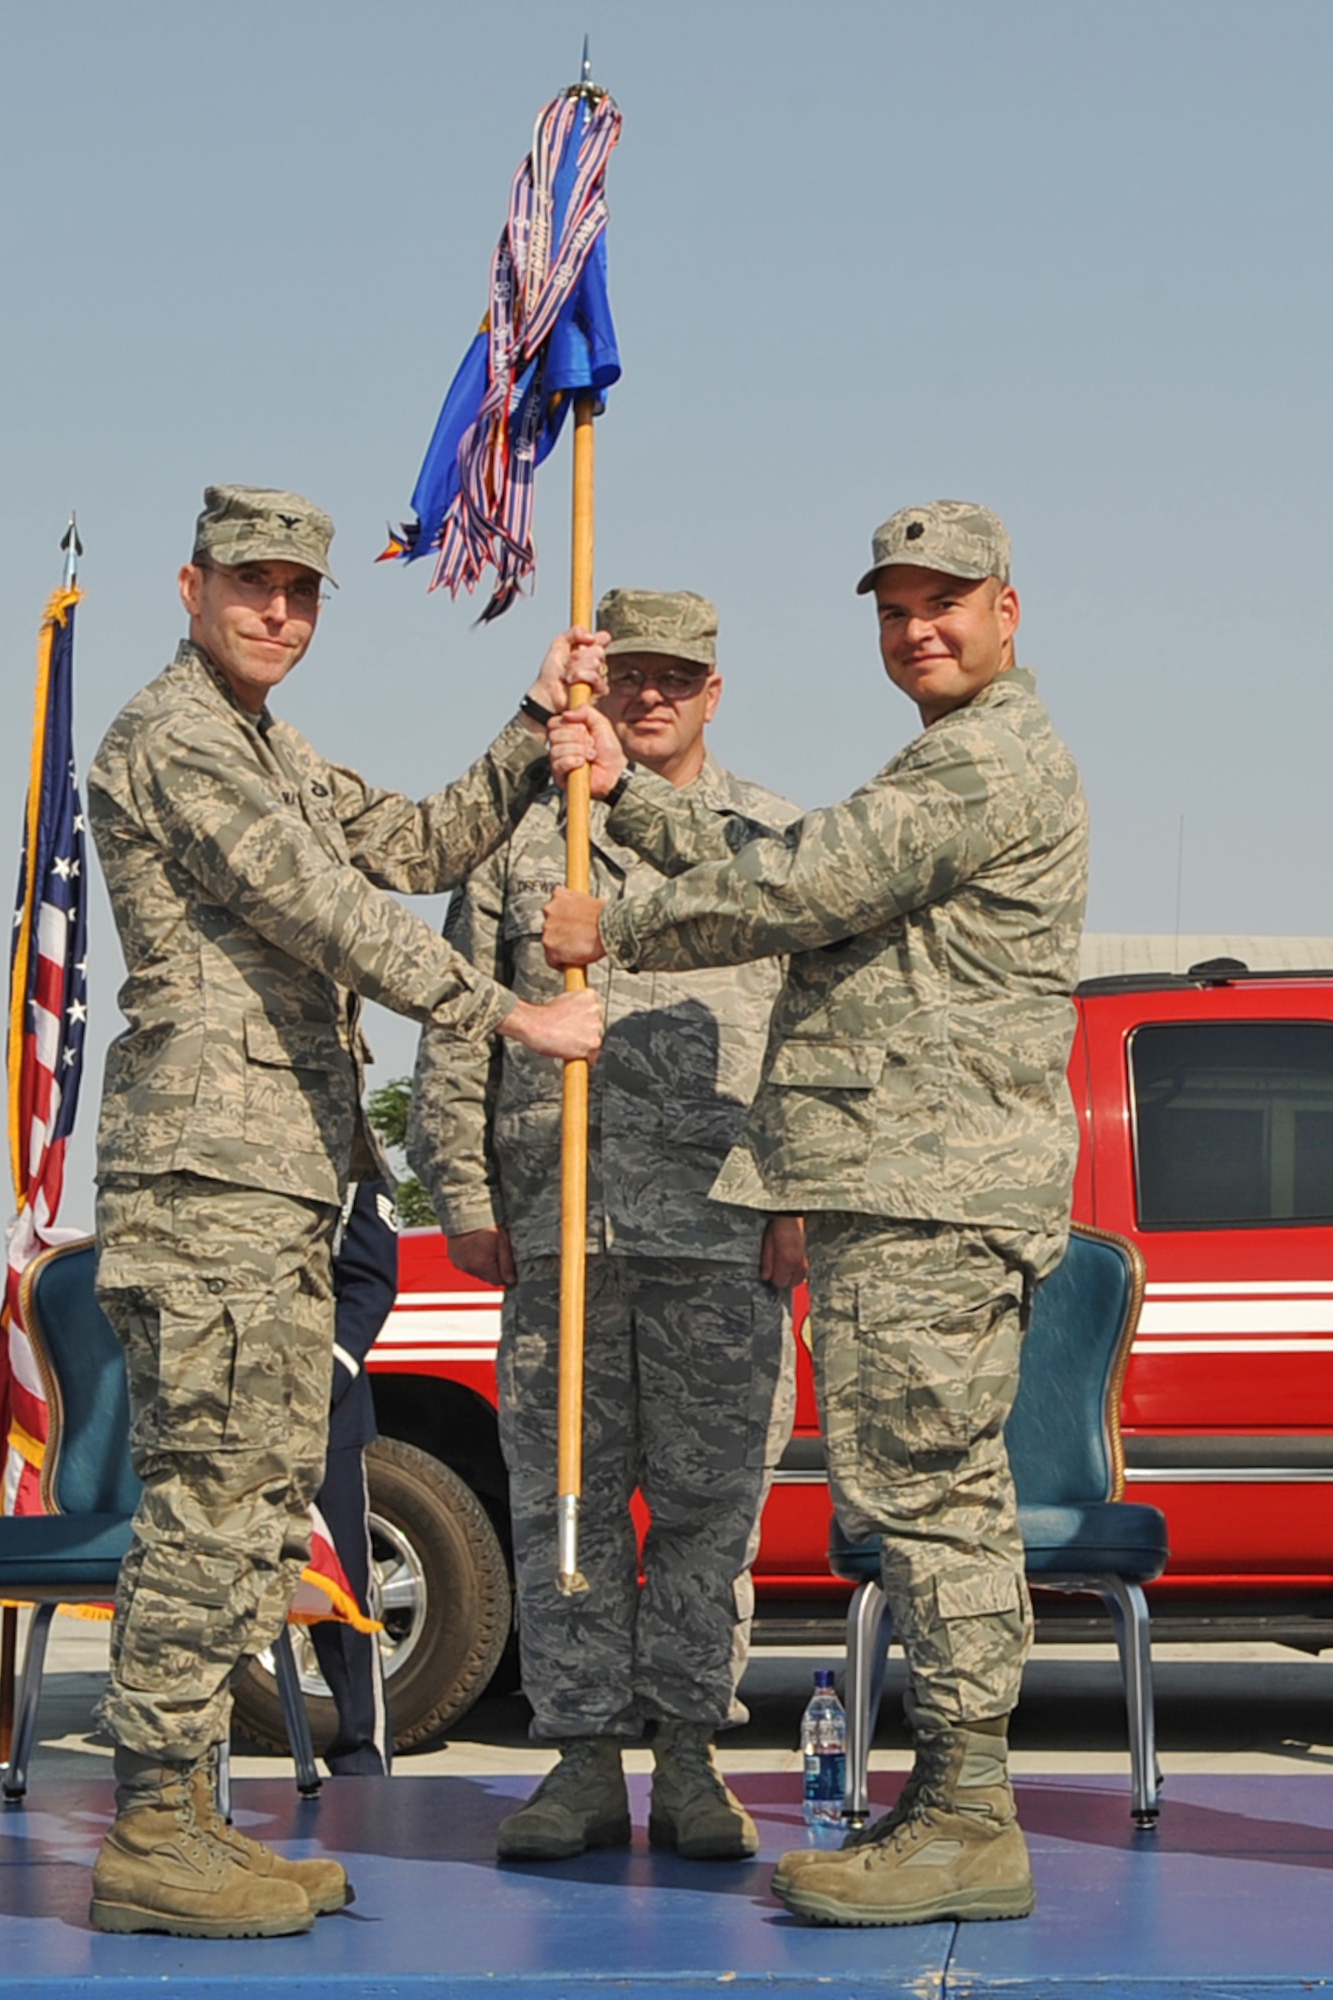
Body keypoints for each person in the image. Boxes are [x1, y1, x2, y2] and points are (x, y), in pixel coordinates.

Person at [541, 503, 1088, 1927]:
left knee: (933, 1502)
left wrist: (627, 924)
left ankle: (973, 1815)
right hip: (902, 1186)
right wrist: (637, 800)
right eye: (896, 606)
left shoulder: (985, 760)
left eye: (947, 602)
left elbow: (808, 879)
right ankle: (950, 1799)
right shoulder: (945, 759)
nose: (919, 627)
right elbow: (812, 866)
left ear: (1008, 611)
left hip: (932, 1192)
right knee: (916, 1503)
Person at [85, 484, 604, 1939]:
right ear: (190, 586)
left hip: (284, 1181)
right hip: (209, 1179)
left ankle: (191, 1817)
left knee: (258, 1508)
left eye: (302, 592)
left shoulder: (271, 746)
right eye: (252, 584)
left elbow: (421, 844)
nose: (278, 611)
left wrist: (530, 722)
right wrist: (511, 1015)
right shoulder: (174, 738)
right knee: (206, 1504)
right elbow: (333, 910)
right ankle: (150, 1833)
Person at [409, 589, 805, 1865]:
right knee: (564, 1503)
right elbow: (460, 1011)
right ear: (593, 687)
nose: (647, 695)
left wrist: (796, 1197)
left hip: (719, 1227)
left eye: (674, 676)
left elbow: (815, 1036)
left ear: (713, 690)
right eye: (626, 673)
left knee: (708, 1510)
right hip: (560, 1221)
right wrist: (463, 1191)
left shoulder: (771, 839)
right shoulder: (529, 841)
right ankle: (581, 1762)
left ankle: (691, 1759)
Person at [311, 1177, 399, 1775]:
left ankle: (360, 1754)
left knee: (343, 1595)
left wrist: (325, 1382)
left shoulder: (354, 1169)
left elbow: (369, 1283)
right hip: (225, 1404)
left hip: (325, 1412)